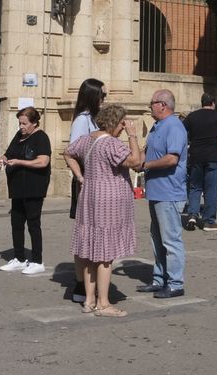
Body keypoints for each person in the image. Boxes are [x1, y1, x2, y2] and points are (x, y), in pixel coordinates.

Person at [66, 104, 143, 316]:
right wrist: (133, 136)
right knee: (105, 255)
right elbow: (135, 161)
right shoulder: (111, 143)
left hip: (89, 198)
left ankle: (89, 300)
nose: (123, 128)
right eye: (122, 123)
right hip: (108, 202)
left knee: (91, 252)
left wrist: (80, 176)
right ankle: (103, 303)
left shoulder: (87, 139)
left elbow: (68, 153)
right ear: (114, 122)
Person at [140, 89, 188, 298]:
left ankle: (175, 283)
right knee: (157, 239)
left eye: (151, 103)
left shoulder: (174, 126)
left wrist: (146, 165)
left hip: (169, 192)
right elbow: (146, 151)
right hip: (156, 192)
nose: (149, 106)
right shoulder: (156, 126)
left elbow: (172, 159)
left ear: (162, 105)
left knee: (171, 240)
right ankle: (159, 279)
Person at [0, 107, 52, 274]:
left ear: (34, 123)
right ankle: (19, 258)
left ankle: (37, 261)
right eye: (19, 123)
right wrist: (1, 159)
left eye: (24, 123)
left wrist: (20, 162)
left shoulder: (41, 137)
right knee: (16, 223)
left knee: (33, 224)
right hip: (17, 188)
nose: (21, 127)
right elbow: (8, 154)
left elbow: (43, 161)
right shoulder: (19, 136)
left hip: (33, 187)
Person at [183, 93, 217, 231]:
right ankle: (209, 221)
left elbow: (181, 130)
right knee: (211, 189)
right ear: (213, 103)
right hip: (214, 155)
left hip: (196, 155)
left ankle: (192, 215)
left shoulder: (192, 116)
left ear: (202, 102)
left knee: (195, 187)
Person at [67, 78, 105, 222]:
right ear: (92, 96)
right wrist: (80, 177)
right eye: (102, 95)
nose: (103, 99)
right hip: (86, 177)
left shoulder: (94, 119)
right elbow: (73, 152)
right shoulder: (82, 120)